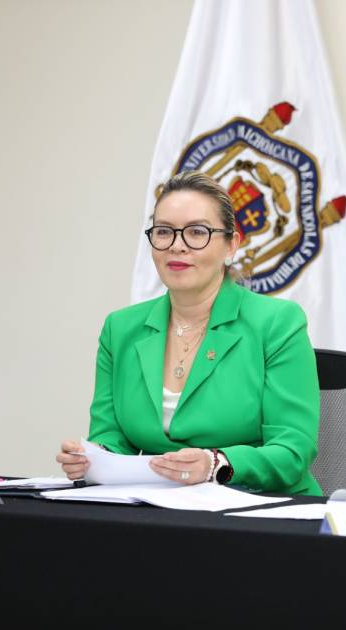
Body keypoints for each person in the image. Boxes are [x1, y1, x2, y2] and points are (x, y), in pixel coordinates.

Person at [56, 170, 321, 495]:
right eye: (164, 232)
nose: (177, 246)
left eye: (197, 232)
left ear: (231, 245)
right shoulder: (120, 329)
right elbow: (111, 437)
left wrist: (215, 464)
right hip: (158, 509)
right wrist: (94, 458)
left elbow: (293, 451)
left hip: (262, 509)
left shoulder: (278, 322)